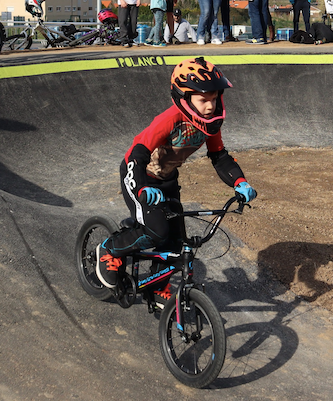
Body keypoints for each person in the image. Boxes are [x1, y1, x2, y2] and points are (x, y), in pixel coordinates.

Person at [95, 57, 257, 301]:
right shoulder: (170, 120)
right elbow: (138, 154)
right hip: (138, 174)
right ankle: (109, 250)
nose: (210, 106)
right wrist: (141, 188)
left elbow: (219, 157)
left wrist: (240, 183)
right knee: (156, 232)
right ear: (185, 98)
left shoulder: (209, 125)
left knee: (175, 243)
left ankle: (155, 286)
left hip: (167, 179)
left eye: (214, 99)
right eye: (204, 100)